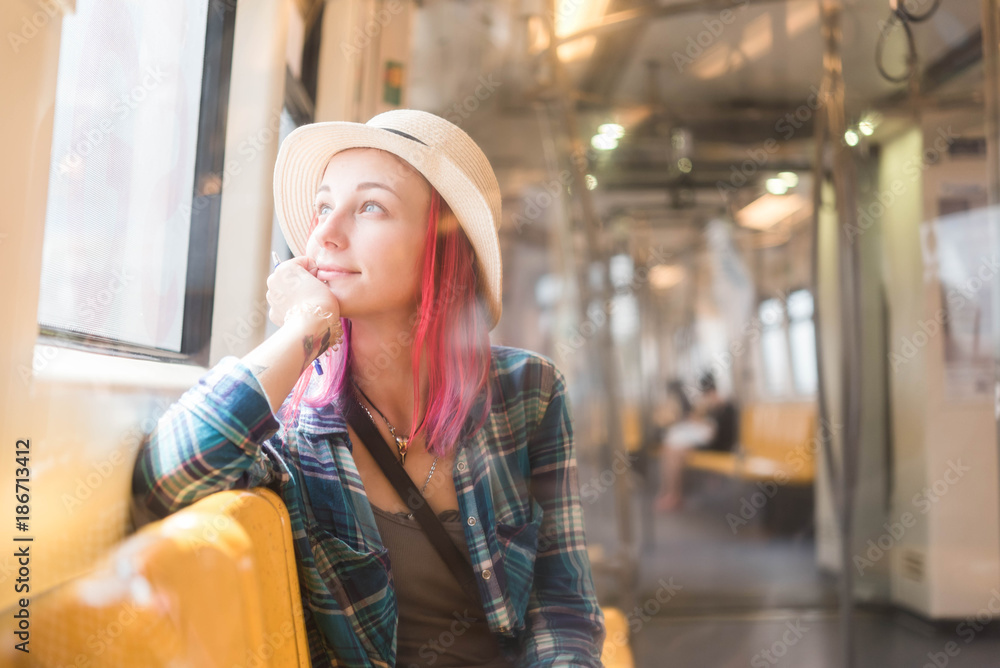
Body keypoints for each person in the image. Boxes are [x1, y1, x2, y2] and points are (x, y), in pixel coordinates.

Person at [131, 110, 605, 667]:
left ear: (440, 245)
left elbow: (563, 603)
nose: (326, 234)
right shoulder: (292, 419)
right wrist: (304, 328)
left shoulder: (529, 391)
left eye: (371, 207)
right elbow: (163, 481)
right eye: (324, 206)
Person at [654, 372, 739, 512]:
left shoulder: (725, 406)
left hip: (717, 445)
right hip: (706, 442)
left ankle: (674, 494)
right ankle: (670, 493)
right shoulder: (709, 405)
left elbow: (719, 434)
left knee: (675, 448)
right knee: (670, 449)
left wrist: (702, 416)